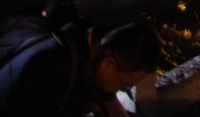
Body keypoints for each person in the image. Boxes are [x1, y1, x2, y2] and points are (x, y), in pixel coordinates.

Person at [0, 17, 160, 117]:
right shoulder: (50, 71)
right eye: (125, 86)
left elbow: (109, 102)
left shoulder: (93, 46)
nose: (121, 90)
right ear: (108, 64)